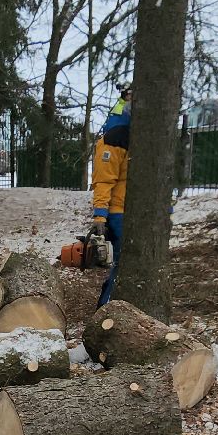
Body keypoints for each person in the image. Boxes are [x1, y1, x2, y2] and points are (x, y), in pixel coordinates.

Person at [90, 86, 132, 307]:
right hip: (120, 212)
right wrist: (100, 215)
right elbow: (104, 181)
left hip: (135, 211)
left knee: (126, 266)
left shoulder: (147, 136)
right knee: (124, 265)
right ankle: (106, 310)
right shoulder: (114, 140)